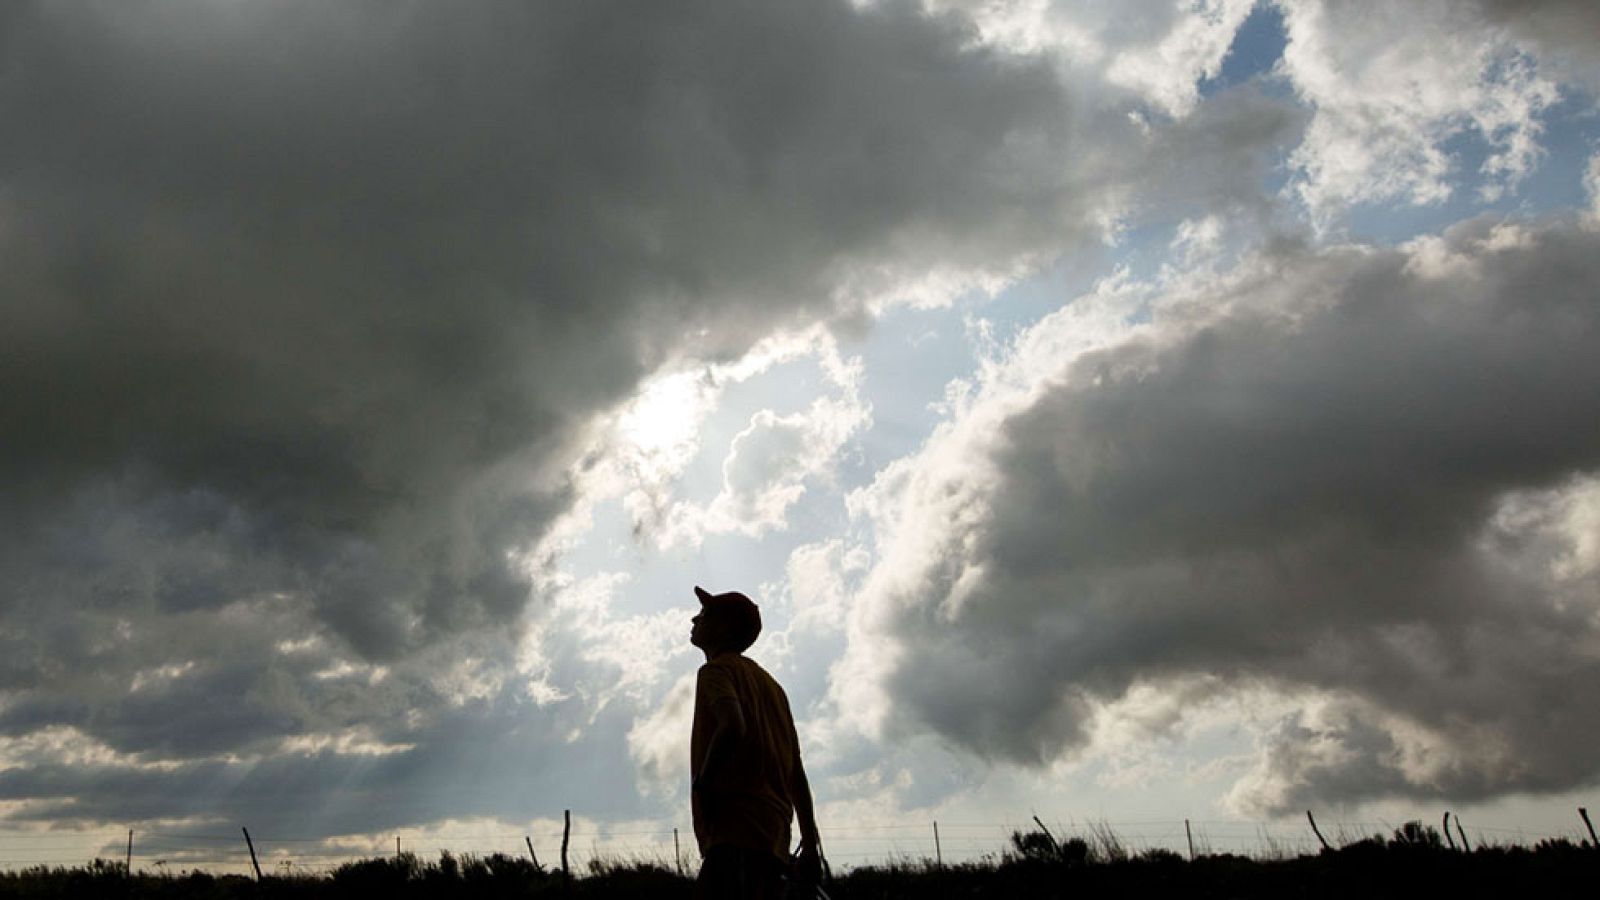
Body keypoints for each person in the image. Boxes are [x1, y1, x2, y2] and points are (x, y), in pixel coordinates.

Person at [689, 585, 822, 899]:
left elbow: (733, 726)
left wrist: (704, 784)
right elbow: (797, 776)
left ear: (722, 628)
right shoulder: (773, 688)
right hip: (775, 838)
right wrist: (811, 846)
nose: (694, 618)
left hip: (734, 831)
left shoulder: (715, 671)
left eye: (704, 615)